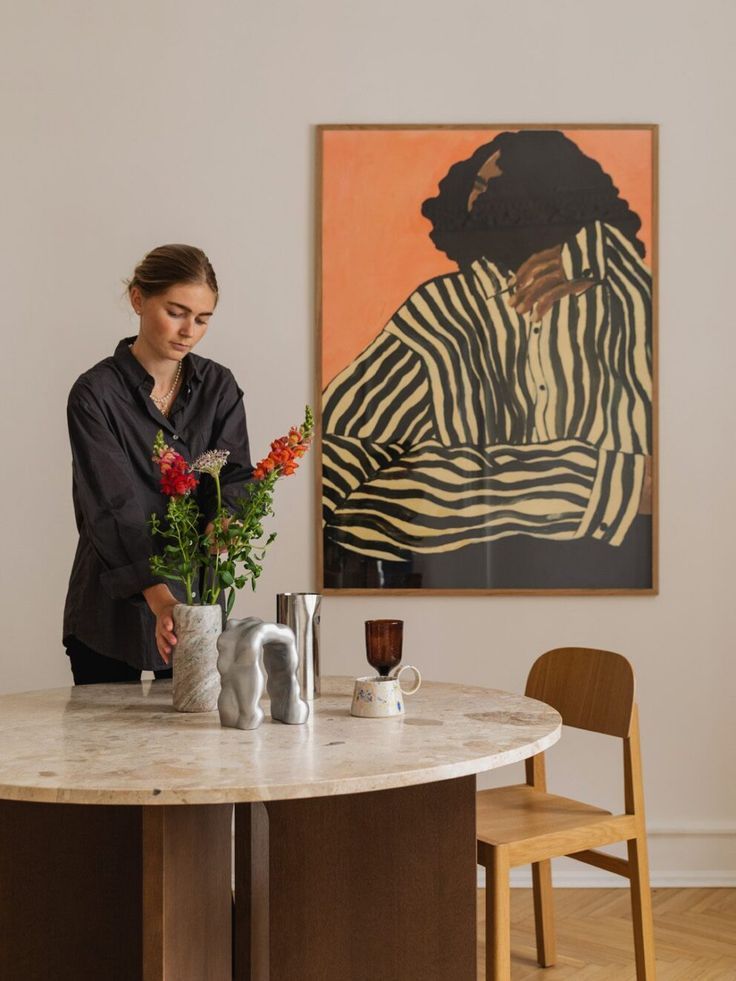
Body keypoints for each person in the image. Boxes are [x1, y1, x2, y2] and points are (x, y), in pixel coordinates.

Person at [322, 130, 653, 589]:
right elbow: (334, 458)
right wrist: (599, 481)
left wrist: (600, 254)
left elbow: (665, 483)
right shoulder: (444, 311)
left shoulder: (627, 303)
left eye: (508, 183)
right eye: (478, 186)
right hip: (462, 577)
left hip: (612, 575)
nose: (487, 199)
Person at [63, 244, 253, 684]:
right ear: (137, 299)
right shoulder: (94, 395)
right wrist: (159, 596)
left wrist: (228, 519)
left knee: (196, 749)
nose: (189, 330)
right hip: (109, 611)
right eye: (176, 311)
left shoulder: (219, 388)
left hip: (198, 607)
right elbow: (110, 507)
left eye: (202, 319)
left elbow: (235, 475)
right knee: (107, 752)